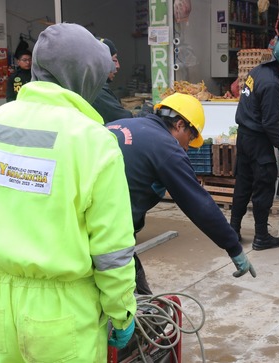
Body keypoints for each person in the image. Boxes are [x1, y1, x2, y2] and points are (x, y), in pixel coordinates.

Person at [0, 23, 137, 362]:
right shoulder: (93, 141)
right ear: (86, 77)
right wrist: (121, 311)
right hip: (62, 315)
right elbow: (111, 247)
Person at [105, 92, 256, 281]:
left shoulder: (120, 125)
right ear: (179, 125)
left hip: (75, 215)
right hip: (106, 230)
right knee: (124, 298)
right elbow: (198, 204)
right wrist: (233, 247)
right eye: (191, 139)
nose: (187, 147)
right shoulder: (166, 147)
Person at [229, 36, 279, 251]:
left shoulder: (257, 71)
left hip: (243, 138)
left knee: (243, 185)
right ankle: (261, 237)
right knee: (263, 187)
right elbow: (270, 123)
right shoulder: (272, 85)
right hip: (258, 141)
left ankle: (233, 231)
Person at [92, 37, 133, 123]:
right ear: (101, 61)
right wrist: (146, 111)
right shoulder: (96, 91)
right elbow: (125, 120)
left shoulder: (92, 86)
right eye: (114, 60)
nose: (118, 66)